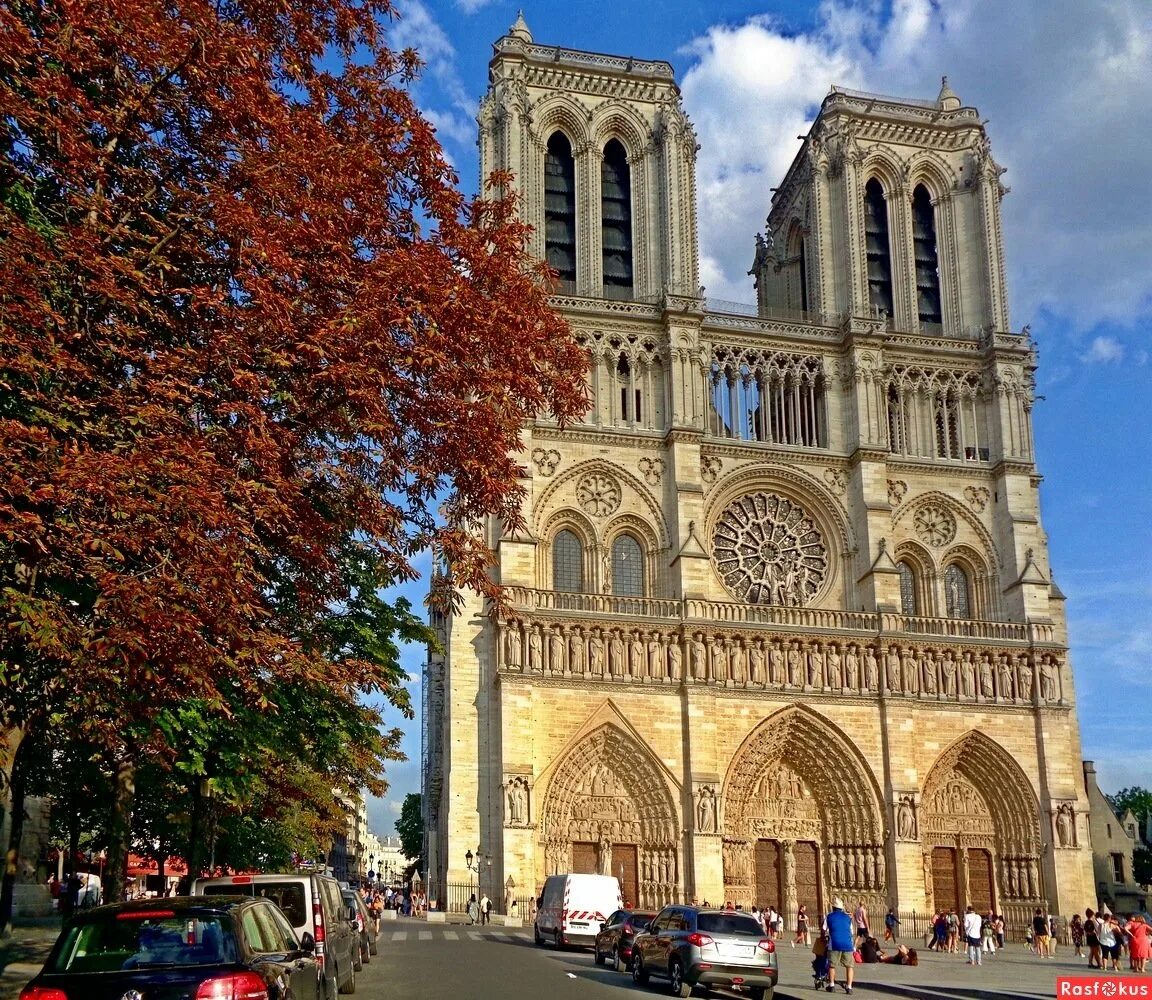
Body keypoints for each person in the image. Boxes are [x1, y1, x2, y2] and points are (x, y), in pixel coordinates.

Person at [824, 897, 856, 994]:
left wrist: (824, 938)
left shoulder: (829, 916)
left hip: (835, 944)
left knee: (832, 965)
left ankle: (832, 985)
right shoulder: (848, 918)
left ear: (833, 907)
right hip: (847, 944)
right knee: (850, 966)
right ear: (841, 908)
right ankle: (849, 987)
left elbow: (823, 929)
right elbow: (851, 932)